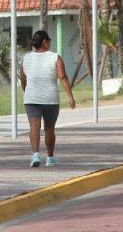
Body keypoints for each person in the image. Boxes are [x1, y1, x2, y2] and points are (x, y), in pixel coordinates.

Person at [19, 30, 75, 168]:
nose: (50, 43)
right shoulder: (55, 57)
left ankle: (35, 155)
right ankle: (50, 158)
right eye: (49, 40)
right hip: (50, 99)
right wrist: (70, 96)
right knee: (49, 129)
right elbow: (62, 77)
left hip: (31, 98)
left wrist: (27, 92)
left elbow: (23, 79)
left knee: (34, 127)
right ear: (44, 42)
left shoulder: (26, 58)